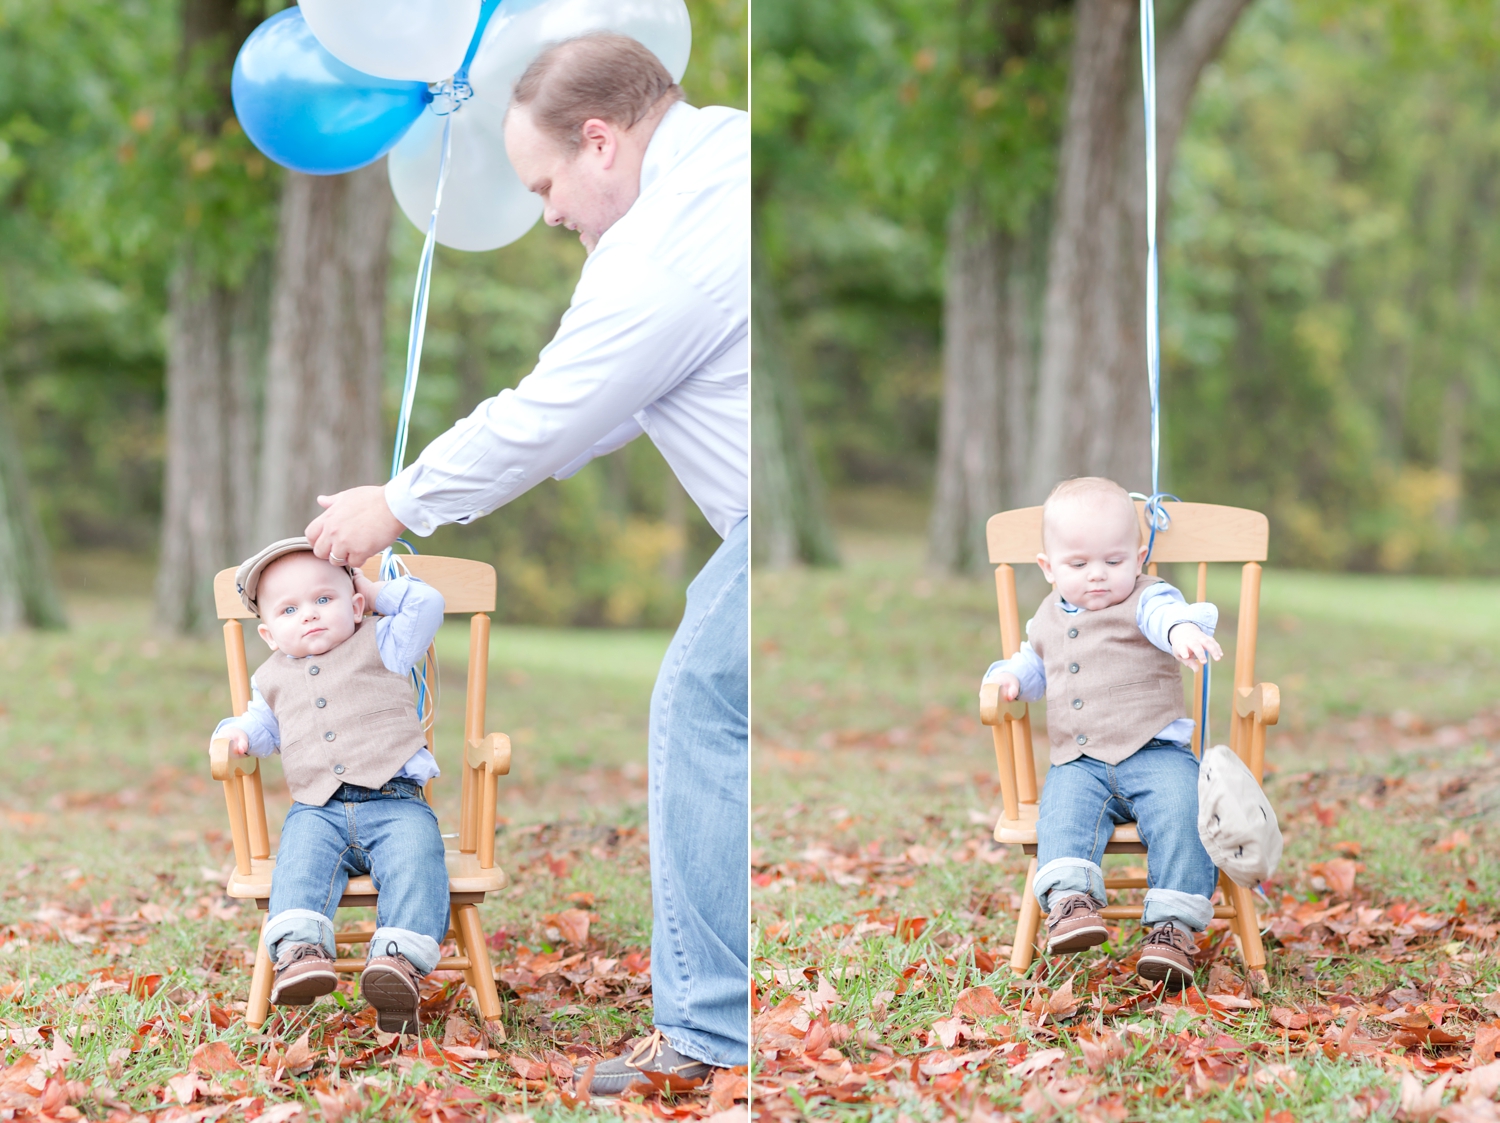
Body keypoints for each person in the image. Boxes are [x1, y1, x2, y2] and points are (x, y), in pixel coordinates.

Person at [303, 33, 748, 1091]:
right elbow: (596, 413)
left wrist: (395, 500)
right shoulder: (725, 151)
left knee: (697, 702)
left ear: (602, 141)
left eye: (545, 182)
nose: (545, 211)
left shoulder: (657, 254)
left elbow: (546, 415)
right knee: (707, 700)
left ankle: (713, 1034)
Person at [982, 477, 1223, 987]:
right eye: (1078, 564)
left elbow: (1166, 616)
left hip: (1156, 752)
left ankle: (1173, 930)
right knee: (1062, 813)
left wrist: (1182, 630)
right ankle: (1071, 903)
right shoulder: (1046, 619)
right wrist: (1007, 678)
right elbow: (1032, 664)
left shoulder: (1147, 598)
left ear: (1138, 559)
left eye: (1113, 562)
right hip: (1081, 761)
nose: (1098, 576)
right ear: (1049, 568)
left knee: (1184, 813)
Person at [211, 538, 449, 1032]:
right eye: (290, 609)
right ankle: (301, 953)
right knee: (298, 865)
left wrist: (370, 588)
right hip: (316, 810)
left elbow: (427, 602)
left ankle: (398, 965)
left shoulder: (384, 641)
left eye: (325, 599)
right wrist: (233, 734)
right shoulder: (271, 679)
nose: (310, 614)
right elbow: (260, 727)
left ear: (355, 605)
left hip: (395, 801)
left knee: (416, 859)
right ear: (270, 633)